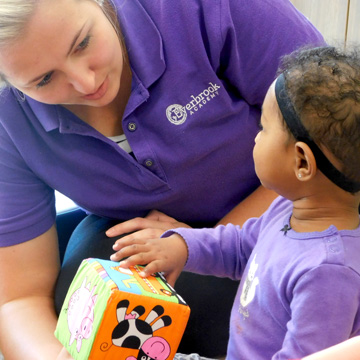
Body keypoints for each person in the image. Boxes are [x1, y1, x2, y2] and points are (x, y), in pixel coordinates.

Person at [0, 0, 324, 359]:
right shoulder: (8, 119)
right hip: (164, 249)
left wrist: (198, 244)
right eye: (43, 80)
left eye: (83, 43)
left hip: (295, 216)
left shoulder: (204, 9)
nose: (85, 81)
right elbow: (19, 298)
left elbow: (334, 147)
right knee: (84, 279)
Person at [112, 46, 360, 360]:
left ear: (302, 162)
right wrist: (181, 247)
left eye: (264, 128)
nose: (255, 137)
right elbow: (241, 246)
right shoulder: (289, 209)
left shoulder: (328, 272)